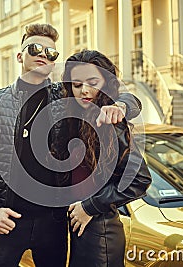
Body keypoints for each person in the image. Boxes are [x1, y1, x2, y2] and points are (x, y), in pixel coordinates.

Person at [0, 23, 141, 267]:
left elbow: (114, 93)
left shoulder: (67, 100)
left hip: (52, 224)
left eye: (51, 53)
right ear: (20, 56)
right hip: (6, 220)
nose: (43, 55)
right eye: (35, 49)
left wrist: (122, 106)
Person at [62, 50, 152, 267]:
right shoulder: (76, 116)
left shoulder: (110, 120)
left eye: (93, 82)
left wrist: (89, 207)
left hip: (99, 231)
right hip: (76, 227)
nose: (84, 90)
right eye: (76, 84)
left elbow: (139, 180)